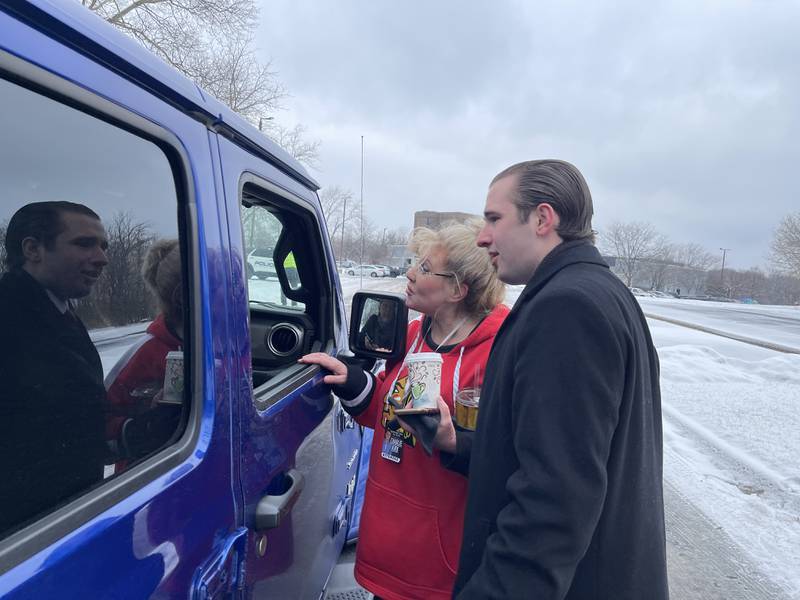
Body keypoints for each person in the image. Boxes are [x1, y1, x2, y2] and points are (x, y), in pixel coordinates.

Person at [430, 160, 668, 599]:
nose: (483, 237)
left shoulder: (567, 308)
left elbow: (555, 499)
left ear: (542, 218)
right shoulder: (601, 292)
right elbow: (555, 452)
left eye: (494, 218)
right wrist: (460, 446)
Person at [300, 220, 509, 600]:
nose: (411, 273)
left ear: (458, 290)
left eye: (426, 269)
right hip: (387, 543)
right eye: (416, 263)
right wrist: (351, 381)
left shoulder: (498, 351)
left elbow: (506, 456)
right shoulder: (413, 334)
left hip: (437, 563)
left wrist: (451, 441)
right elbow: (388, 416)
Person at [0, 201, 109, 534]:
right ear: (33, 249)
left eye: (103, 246)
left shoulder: (57, 310)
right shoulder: (10, 320)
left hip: (59, 520)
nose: (102, 258)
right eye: (84, 243)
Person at [105, 239, 183, 465]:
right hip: (149, 476)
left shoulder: (220, 341)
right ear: (183, 296)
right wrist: (147, 423)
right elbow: (96, 428)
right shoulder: (146, 352)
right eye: (219, 284)